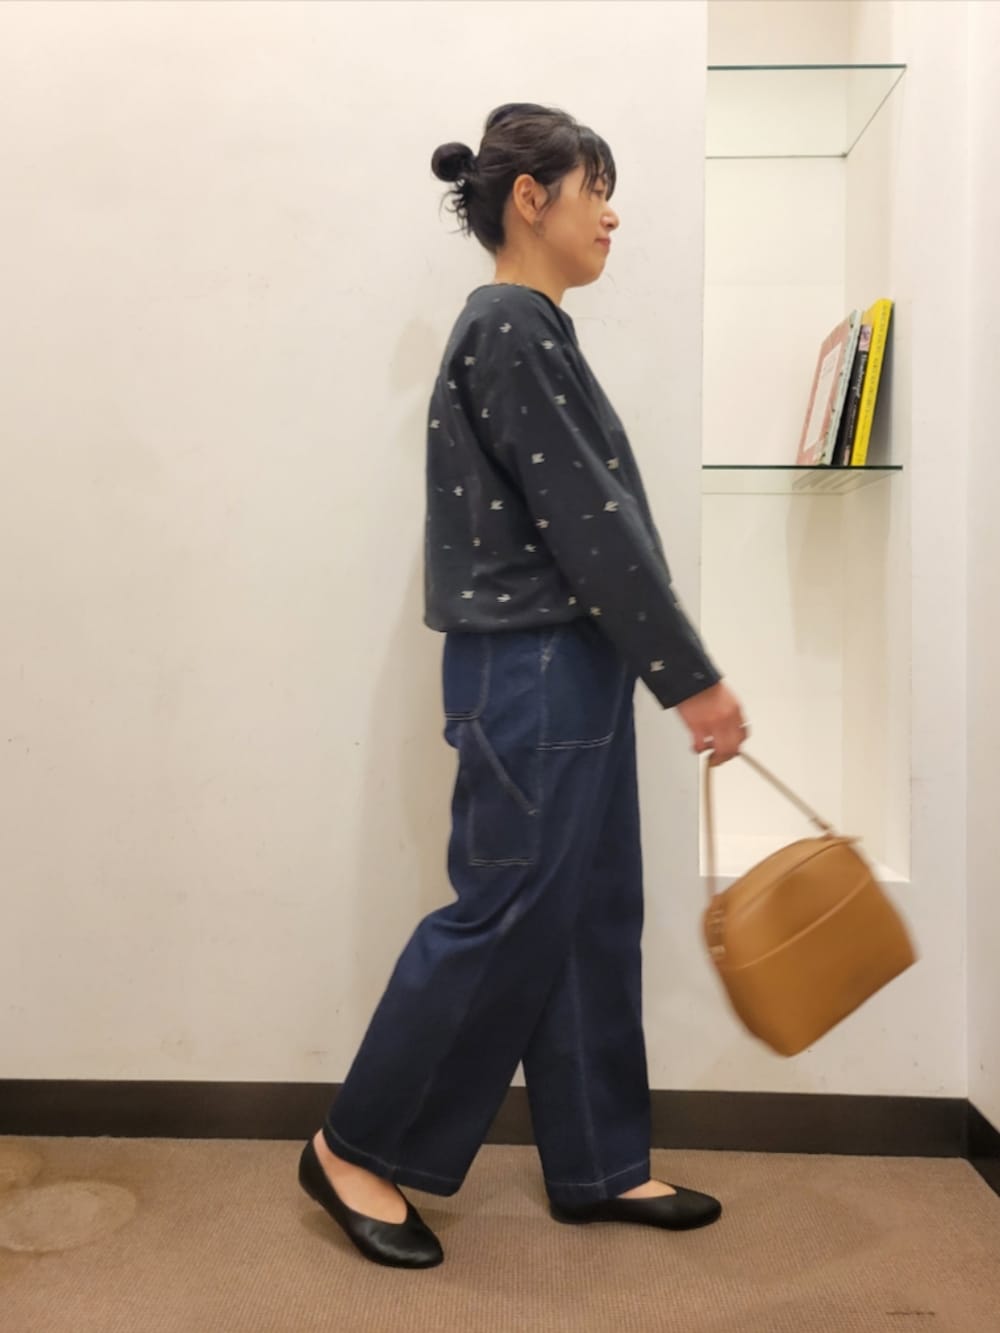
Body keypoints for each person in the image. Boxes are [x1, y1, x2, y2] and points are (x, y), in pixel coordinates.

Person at [298, 103, 748, 1270]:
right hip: (531, 669)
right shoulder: (508, 324)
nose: (611, 215)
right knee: (501, 912)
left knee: (589, 913)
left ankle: (599, 1162)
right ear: (529, 198)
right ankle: (352, 1146)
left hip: (568, 665)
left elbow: (586, 524)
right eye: (594, 188)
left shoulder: (531, 328)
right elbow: (591, 525)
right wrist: (690, 678)